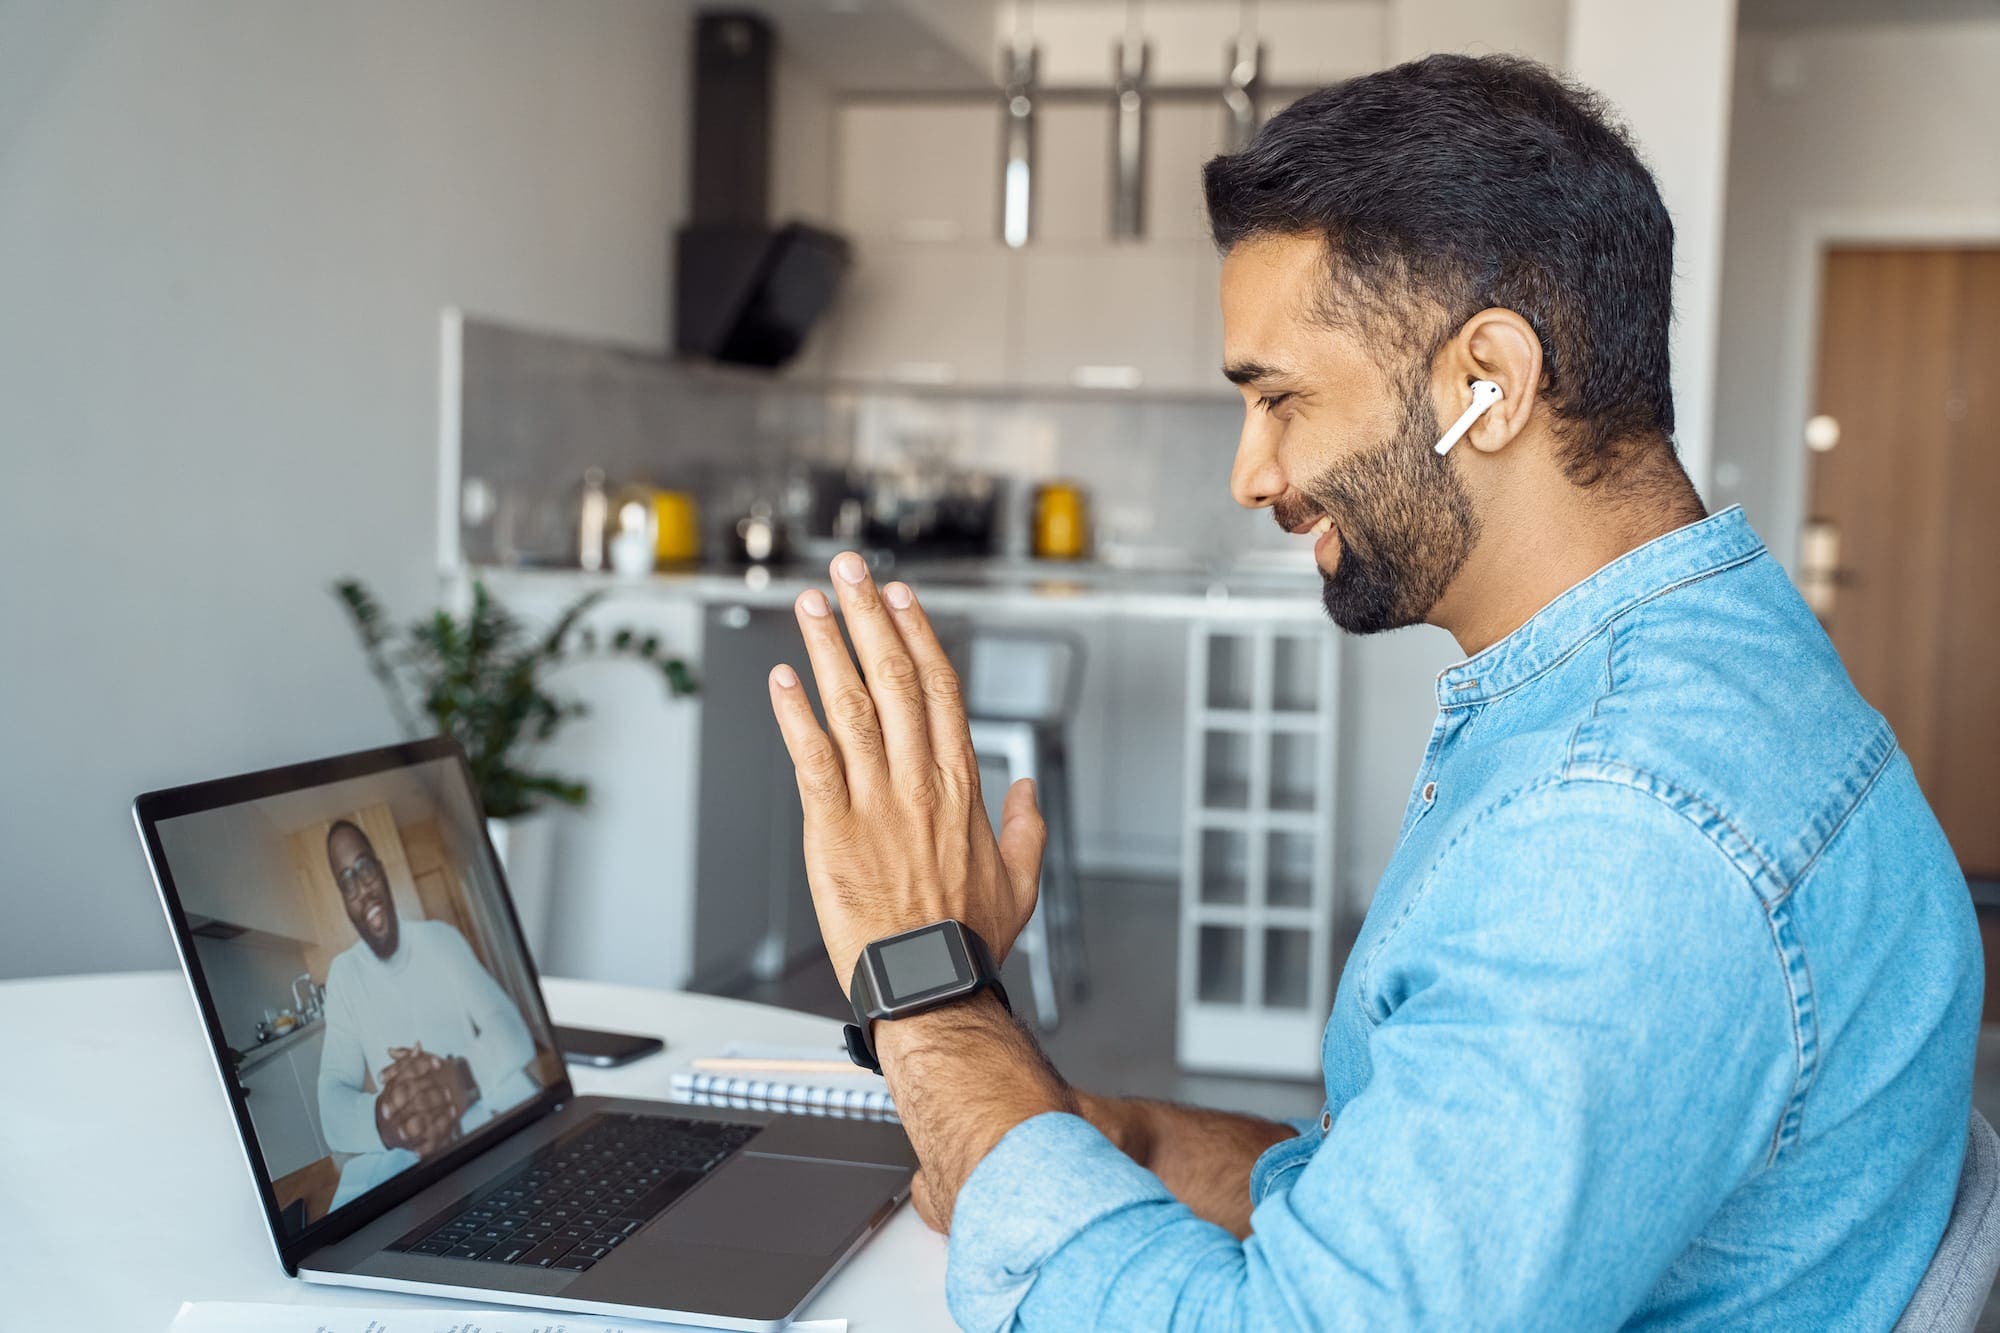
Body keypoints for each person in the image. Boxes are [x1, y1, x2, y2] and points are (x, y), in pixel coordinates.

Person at [764, 54, 1981, 1330]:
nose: (1252, 472)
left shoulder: (1619, 833)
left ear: (1487, 384)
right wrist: (1087, 1138)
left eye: (1279, 398)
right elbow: (1449, 1200)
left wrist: (930, 992)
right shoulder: (1704, 676)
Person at [316, 818, 540, 1208]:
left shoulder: (441, 939)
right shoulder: (344, 975)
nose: (362, 888)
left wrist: (459, 1080)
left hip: (487, 1143)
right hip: (415, 1179)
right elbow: (332, 1101)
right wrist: (390, 1117)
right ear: (343, 899)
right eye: (346, 880)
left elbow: (511, 1030)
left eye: (365, 868)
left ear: (382, 872)